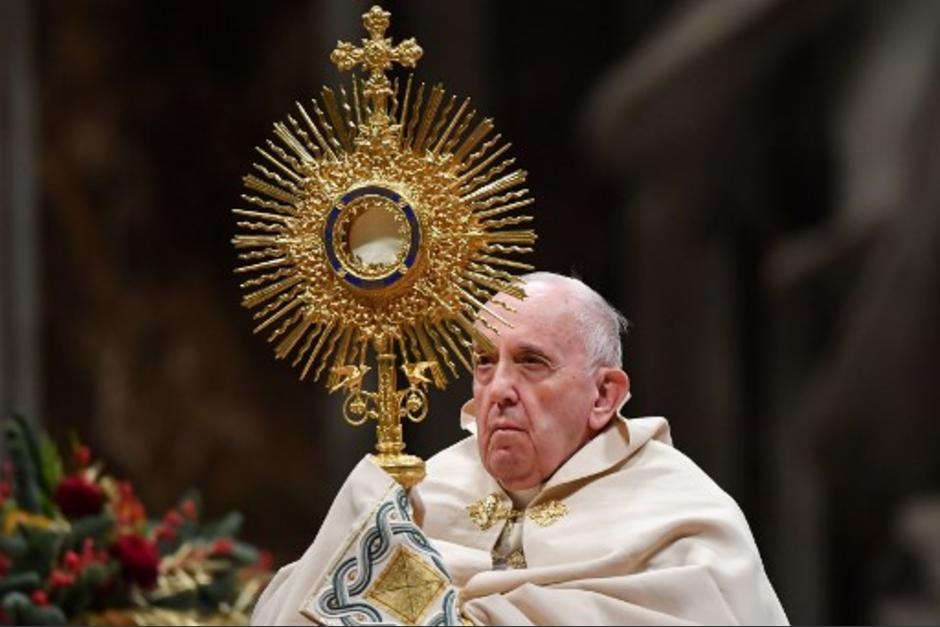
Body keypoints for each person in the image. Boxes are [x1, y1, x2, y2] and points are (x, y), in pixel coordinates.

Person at [251, 272, 788, 625]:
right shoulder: (420, 491)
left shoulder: (681, 513)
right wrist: (362, 536)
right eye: (485, 363)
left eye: (531, 362)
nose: (499, 388)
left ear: (605, 394)